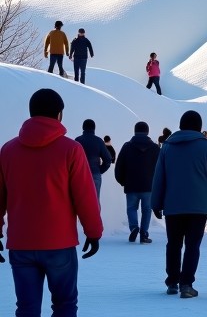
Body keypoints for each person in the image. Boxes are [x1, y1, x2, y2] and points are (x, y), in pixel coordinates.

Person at [0, 88, 102, 315]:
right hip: (60, 244)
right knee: (64, 304)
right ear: (59, 115)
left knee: (26, 307)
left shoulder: (8, 150)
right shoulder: (71, 150)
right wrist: (93, 232)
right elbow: (85, 196)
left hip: (21, 244)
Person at [151, 109, 207, 298]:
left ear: (181, 125)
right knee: (193, 245)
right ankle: (186, 285)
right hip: (199, 207)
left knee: (173, 244)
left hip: (173, 205)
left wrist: (156, 202)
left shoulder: (167, 147)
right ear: (199, 128)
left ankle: (172, 282)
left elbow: (159, 177)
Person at [115, 120, 160, 244]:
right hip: (148, 186)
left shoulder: (127, 146)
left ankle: (134, 227)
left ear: (135, 131)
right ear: (147, 132)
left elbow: (119, 166)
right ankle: (144, 233)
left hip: (131, 185)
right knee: (147, 210)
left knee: (131, 208)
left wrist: (123, 181)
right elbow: (160, 168)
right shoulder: (155, 148)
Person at [74, 119, 111, 208]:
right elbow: (108, 159)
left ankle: (80, 221)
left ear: (83, 128)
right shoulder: (98, 141)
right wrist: (99, 170)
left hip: (80, 175)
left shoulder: (78, 140)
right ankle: (95, 221)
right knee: (95, 202)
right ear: (94, 128)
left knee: (79, 202)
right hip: (95, 174)